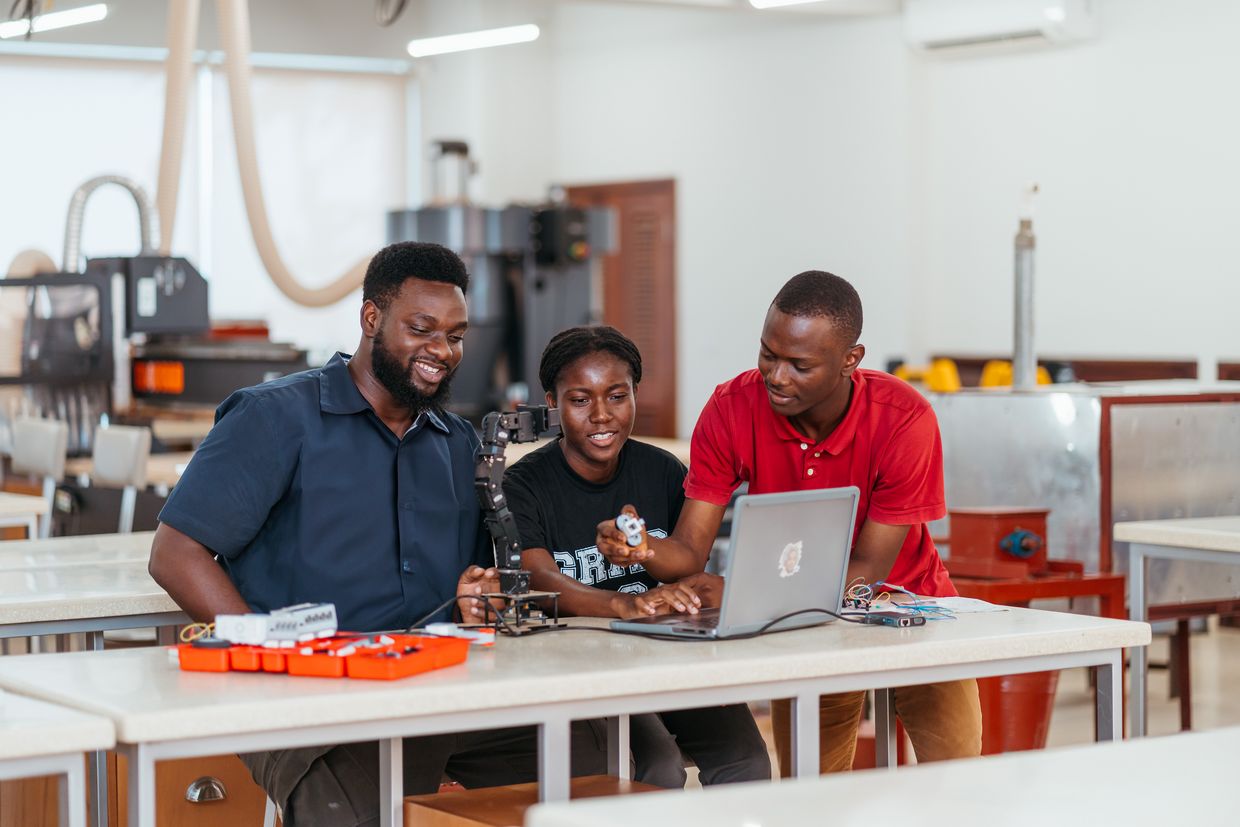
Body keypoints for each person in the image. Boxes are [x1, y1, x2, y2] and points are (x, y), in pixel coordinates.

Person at [149, 241, 605, 827]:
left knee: (595, 757)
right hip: (304, 694)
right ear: (371, 319)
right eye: (422, 329)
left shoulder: (458, 442)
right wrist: (265, 661)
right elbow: (175, 552)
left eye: (457, 335)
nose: (442, 351)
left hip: (436, 683)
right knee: (351, 803)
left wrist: (476, 595)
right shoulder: (276, 417)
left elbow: (470, 583)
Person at [593, 271, 982, 774]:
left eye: (800, 365)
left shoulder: (903, 419)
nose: (777, 376)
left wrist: (735, 593)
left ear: (850, 360)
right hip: (802, 623)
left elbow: (865, 569)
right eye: (768, 354)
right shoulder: (732, 408)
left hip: (913, 603)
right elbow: (688, 550)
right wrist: (643, 547)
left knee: (959, 777)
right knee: (809, 787)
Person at [503, 325, 771, 789]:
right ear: (552, 402)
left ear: (635, 395)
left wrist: (660, 562)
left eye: (617, 396)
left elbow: (687, 567)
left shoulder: (663, 470)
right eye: (580, 399)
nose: (602, 416)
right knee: (657, 766)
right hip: (587, 664)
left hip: (669, 655)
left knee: (746, 757)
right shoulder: (524, 482)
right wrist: (621, 605)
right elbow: (536, 574)